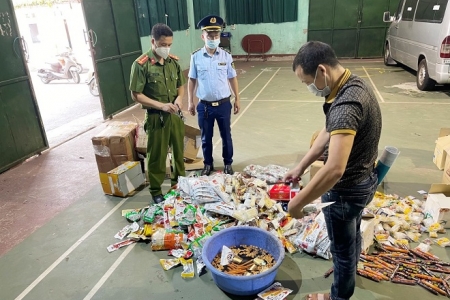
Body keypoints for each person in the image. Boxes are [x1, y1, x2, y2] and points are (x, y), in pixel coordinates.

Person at [284, 41, 382, 300]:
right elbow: (327, 132)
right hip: (364, 180)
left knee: (341, 253)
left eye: (307, 82)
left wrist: (296, 203)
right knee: (351, 237)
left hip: (346, 192)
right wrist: (301, 166)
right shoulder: (352, 84)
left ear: (321, 71)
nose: (309, 88)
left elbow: (334, 170)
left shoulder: (346, 106)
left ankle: (339, 295)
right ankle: (350, 271)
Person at [129, 23, 186, 204]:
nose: (166, 48)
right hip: (156, 117)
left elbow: (180, 85)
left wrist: (179, 99)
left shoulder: (173, 62)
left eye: (169, 45)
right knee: (157, 156)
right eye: (163, 45)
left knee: (178, 152)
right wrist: (160, 105)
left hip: (175, 116)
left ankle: (179, 185)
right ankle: (156, 190)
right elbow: (136, 94)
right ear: (153, 41)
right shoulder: (141, 65)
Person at [187, 15, 240, 176]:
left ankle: (228, 164)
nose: (213, 38)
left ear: (219, 36)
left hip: (223, 104)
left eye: (216, 36)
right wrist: (190, 101)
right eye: (210, 36)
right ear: (203, 36)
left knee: (226, 136)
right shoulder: (195, 57)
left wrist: (237, 98)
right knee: (205, 138)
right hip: (204, 106)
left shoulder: (226, 56)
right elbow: (191, 80)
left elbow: (232, 77)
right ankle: (207, 164)